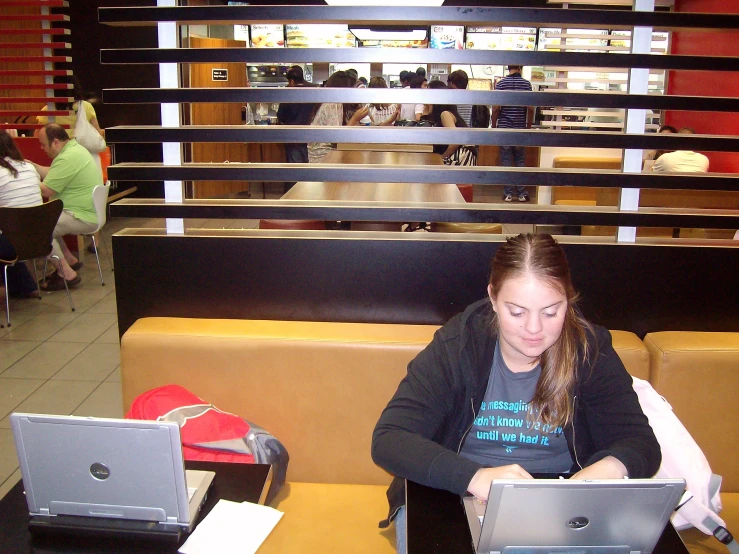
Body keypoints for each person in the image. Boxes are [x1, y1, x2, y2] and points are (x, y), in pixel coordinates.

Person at [372, 233, 660, 553]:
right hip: (455, 493)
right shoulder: (459, 346)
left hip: (559, 503)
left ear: (568, 299)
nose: (534, 329)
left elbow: (641, 444)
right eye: (517, 312)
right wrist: (476, 477)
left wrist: (604, 471)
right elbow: (390, 438)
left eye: (551, 312)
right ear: (493, 298)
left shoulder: (588, 351)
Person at [30, 124, 101, 291]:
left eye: (43, 144)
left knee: (40, 229)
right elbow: (55, 174)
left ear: (55, 142)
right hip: (87, 211)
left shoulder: (67, 158)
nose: (42, 148)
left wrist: (24, 180)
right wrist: (33, 166)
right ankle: (69, 260)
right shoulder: (75, 150)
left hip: (81, 215)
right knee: (48, 222)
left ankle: (67, 274)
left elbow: (47, 190)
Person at [0, 131, 42, 299]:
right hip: (39, 240)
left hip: (12, 244)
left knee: (7, 236)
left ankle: (8, 288)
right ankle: (26, 286)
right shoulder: (29, 167)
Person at [491, 65, 535, 202]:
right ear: (520, 68)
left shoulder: (501, 84)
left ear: (508, 68)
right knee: (520, 160)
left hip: (504, 128)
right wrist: (528, 126)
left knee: (506, 161)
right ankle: (522, 193)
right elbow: (531, 108)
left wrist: (493, 124)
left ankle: (508, 194)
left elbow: (496, 107)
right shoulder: (526, 84)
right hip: (519, 128)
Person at [307, 71, 369, 163]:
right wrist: (355, 119)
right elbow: (337, 138)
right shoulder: (332, 104)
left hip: (331, 156)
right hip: (323, 159)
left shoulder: (334, 103)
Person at [421, 81, 476, 165]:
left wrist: (443, 157)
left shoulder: (445, 114)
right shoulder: (441, 115)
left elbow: (455, 141)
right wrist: (426, 110)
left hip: (460, 158)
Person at [276, 65, 315, 165]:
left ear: (292, 81)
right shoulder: (314, 89)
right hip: (310, 135)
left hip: (293, 136)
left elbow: (281, 116)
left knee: (295, 168)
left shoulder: (288, 94)